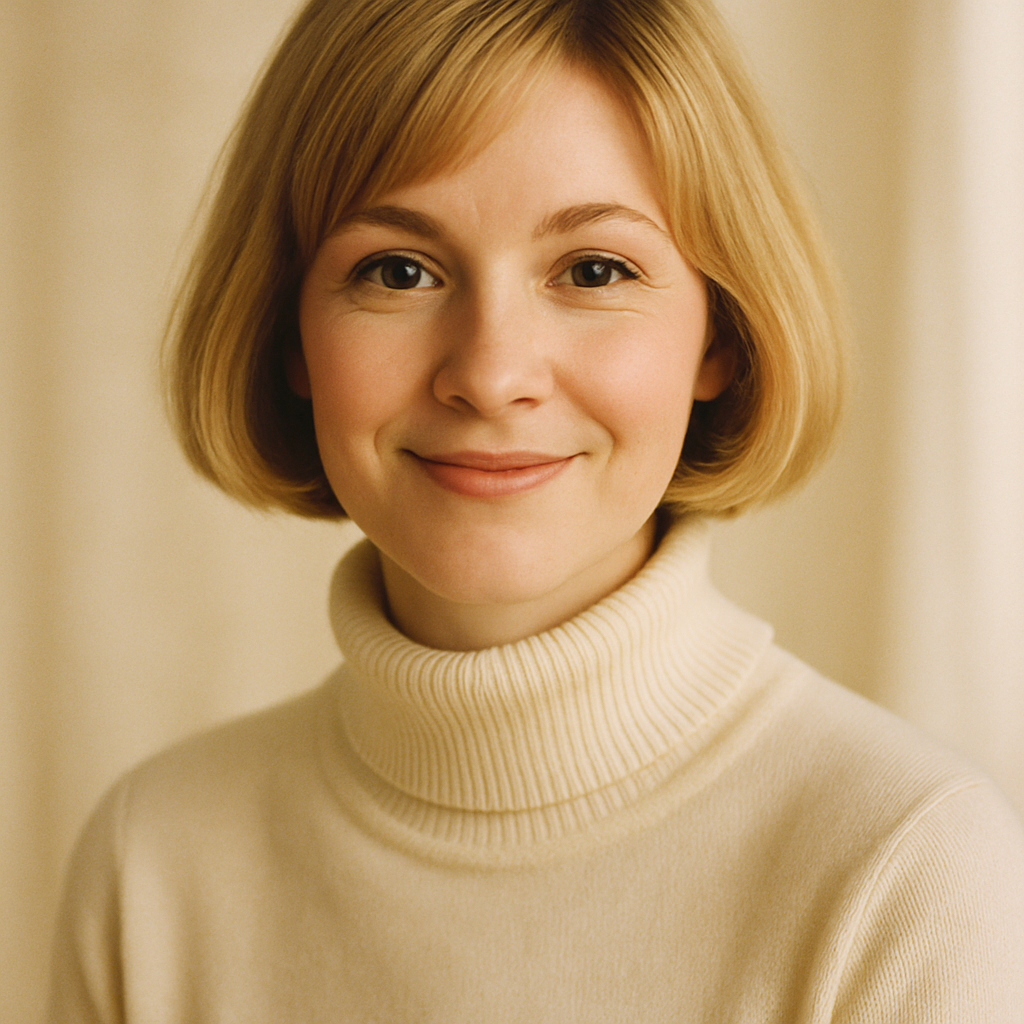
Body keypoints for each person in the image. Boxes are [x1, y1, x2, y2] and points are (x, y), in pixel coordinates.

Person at [48, 0, 1024, 1020]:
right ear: (288, 329)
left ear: (720, 336)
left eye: (594, 270)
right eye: (398, 271)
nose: (491, 372)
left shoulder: (907, 874)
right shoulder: (150, 866)